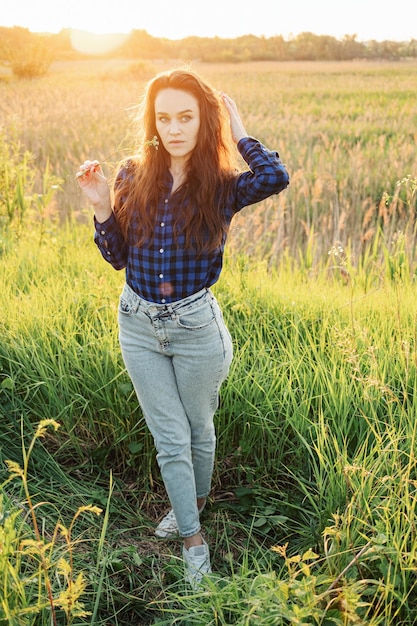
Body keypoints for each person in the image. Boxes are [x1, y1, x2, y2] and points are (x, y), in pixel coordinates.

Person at [76, 68, 289, 589]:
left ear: (203, 121)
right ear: (153, 121)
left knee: (199, 428)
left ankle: (188, 502)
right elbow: (119, 257)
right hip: (138, 324)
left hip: (196, 329)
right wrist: (103, 205)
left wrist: (238, 130)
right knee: (170, 437)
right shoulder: (131, 173)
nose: (174, 128)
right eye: (164, 117)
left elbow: (275, 177)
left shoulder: (219, 185)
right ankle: (194, 537)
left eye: (187, 117)